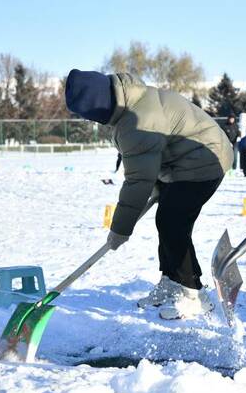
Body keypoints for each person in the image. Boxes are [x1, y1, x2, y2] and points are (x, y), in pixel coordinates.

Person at [65, 69, 233, 319]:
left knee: (172, 221)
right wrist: (158, 184)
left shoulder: (136, 120)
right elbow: (150, 162)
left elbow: (138, 181)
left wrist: (120, 229)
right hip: (186, 160)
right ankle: (171, 282)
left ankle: (193, 293)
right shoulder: (134, 99)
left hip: (204, 162)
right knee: (167, 220)